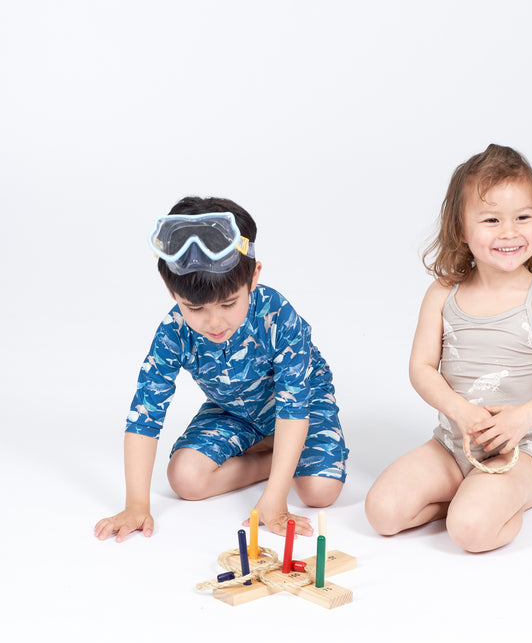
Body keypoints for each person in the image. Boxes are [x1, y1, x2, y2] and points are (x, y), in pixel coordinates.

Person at [365, 144, 532, 553]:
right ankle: (467, 496)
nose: (509, 232)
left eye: (523, 217)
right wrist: (461, 411)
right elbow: (421, 368)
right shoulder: (442, 294)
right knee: (382, 513)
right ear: (461, 230)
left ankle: (516, 497)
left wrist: (523, 418)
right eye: (491, 219)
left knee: (469, 532)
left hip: (514, 452)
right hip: (452, 447)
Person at [95, 197, 348, 543]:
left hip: (299, 406)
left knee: (320, 491)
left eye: (229, 303)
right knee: (185, 479)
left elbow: (293, 406)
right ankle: (276, 455)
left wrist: (274, 498)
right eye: (195, 308)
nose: (214, 322)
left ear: (253, 277)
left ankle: (285, 454)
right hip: (233, 411)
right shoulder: (173, 332)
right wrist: (136, 504)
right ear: (172, 292)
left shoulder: (279, 315)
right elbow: (144, 416)